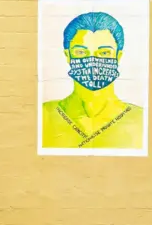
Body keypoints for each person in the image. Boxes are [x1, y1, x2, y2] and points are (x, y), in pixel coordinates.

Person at [42, 11, 144, 149]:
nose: (92, 61)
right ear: (68, 56)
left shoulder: (141, 119)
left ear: (118, 56)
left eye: (104, 53)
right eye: (81, 52)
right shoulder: (44, 114)